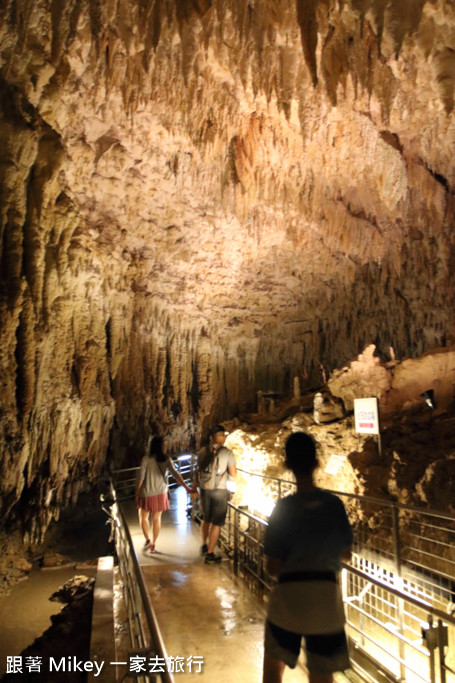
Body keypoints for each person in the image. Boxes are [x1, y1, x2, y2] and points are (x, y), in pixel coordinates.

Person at [262, 432, 353, 683]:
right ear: (316, 462)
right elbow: (346, 553)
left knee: (273, 666)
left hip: (289, 598)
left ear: (287, 465)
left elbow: (272, 566)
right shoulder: (334, 506)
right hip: (326, 599)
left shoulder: (282, 509)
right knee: (322, 673)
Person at [136, 435, 191, 554]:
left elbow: (141, 477)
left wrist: (137, 493)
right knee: (156, 519)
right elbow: (176, 475)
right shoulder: (166, 459)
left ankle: (147, 539)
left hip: (147, 493)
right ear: (161, 446)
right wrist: (187, 488)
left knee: (143, 517)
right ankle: (153, 543)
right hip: (161, 493)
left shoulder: (146, 459)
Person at [193, 425, 237, 564]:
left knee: (206, 519)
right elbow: (234, 473)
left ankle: (203, 545)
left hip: (205, 489)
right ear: (221, 437)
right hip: (219, 490)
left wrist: (195, 487)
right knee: (216, 523)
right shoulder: (227, 453)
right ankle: (210, 554)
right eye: (224, 435)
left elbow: (197, 469)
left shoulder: (202, 451)